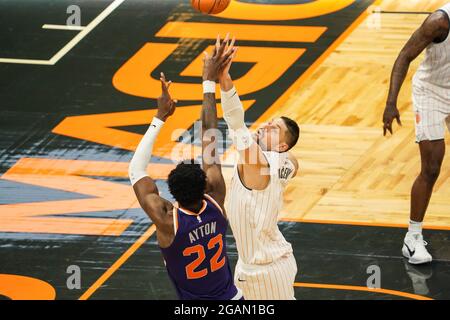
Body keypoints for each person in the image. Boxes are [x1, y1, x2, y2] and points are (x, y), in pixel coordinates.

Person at [128, 38, 242, 299]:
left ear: (171, 195)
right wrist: (208, 82)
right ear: (205, 184)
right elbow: (210, 138)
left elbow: (136, 171)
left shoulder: (167, 220)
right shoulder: (216, 199)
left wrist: (160, 117)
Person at [216, 34, 300, 299]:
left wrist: (223, 80)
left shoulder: (261, 164)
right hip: (257, 265)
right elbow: (294, 163)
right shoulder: (281, 161)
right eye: (269, 122)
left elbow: (234, 121)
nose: (265, 126)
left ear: (283, 145)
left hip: (265, 271)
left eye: (274, 128)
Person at [383, 4, 450, 264]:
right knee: (432, 168)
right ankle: (412, 238)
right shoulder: (439, 22)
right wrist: (391, 102)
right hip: (431, 92)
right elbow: (404, 56)